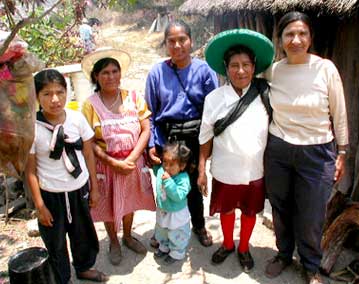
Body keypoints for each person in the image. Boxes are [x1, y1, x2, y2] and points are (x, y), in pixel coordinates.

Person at [263, 11, 349, 284]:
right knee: (280, 206)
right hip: (278, 148)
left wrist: (343, 152)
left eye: (302, 34)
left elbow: (340, 112)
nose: (296, 40)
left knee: (311, 213)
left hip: (317, 151)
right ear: (280, 39)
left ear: (311, 38)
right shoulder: (274, 70)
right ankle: (284, 253)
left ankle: (311, 265)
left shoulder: (325, 68)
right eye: (289, 34)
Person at [198, 29, 274, 272]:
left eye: (246, 65)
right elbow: (205, 136)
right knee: (227, 209)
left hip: (255, 169)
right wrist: (201, 169)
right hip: (224, 169)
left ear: (254, 66)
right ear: (225, 68)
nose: (240, 71)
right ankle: (229, 244)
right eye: (234, 65)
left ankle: (244, 248)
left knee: (250, 211)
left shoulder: (266, 94)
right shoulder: (214, 98)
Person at [25, 69, 108, 283]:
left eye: (60, 92)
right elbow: (30, 170)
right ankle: (63, 277)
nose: (55, 99)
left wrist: (94, 188)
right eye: (47, 94)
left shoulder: (76, 118)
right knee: (55, 241)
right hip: (50, 194)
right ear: (36, 97)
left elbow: (88, 153)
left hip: (78, 189)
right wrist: (40, 205)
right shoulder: (32, 128)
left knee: (83, 234)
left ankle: (84, 268)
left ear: (67, 92)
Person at [145, 20, 219, 247]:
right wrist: (150, 143)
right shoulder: (157, 72)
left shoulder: (204, 70)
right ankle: (163, 230)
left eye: (182, 40)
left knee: (194, 184)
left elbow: (213, 109)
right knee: (166, 185)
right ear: (165, 44)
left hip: (195, 137)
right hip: (167, 138)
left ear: (191, 41)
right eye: (171, 41)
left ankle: (198, 225)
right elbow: (149, 112)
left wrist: (210, 144)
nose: (177, 45)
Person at [81, 48, 155, 265]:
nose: (111, 76)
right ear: (96, 76)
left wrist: (132, 158)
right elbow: (89, 141)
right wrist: (112, 162)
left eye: (115, 71)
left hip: (132, 162)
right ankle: (113, 240)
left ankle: (128, 236)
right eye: (105, 72)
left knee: (130, 201)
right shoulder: (90, 105)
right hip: (106, 165)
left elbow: (146, 129)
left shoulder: (133, 97)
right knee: (108, 204)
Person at [153, 141, 192, 265]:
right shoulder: (161, 170)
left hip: (176, 213)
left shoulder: (183, 179)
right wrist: (154, 163)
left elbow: (178, 196)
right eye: (165, 162)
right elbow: (156, 171)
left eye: (171, 164)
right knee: (162, 230)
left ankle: (176, 252)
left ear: (182, 166)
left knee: (177, 232)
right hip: (163, 209)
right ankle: (164, 246)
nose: (167, 167)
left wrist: (169, 182)